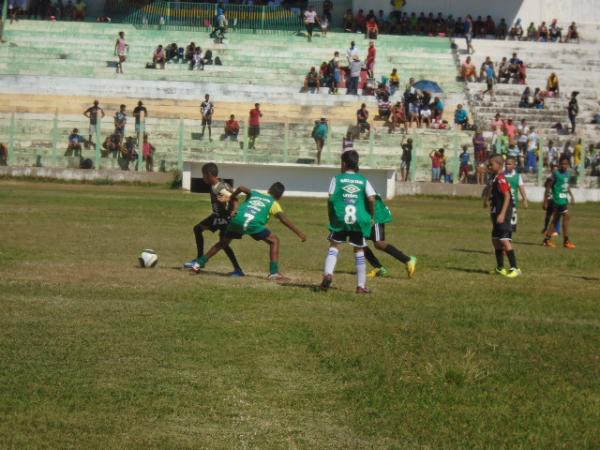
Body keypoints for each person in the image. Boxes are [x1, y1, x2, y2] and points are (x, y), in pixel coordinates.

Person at [192, 181, 306, 280]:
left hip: (237, 219)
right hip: (253, 224)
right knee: (274, 240)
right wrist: (299, 233)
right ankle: (274, 273)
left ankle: (199, 263)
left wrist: (231, 197)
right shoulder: (274, 203)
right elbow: (283, 219)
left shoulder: (254, 193)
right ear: (280, 197)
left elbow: (241, 188)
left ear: (269, 189)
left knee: (223, 243)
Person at [319, 150, 376, 294]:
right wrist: (371, 215)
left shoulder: (337, 179)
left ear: (343, 164)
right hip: (358, 220)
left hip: (340, 218)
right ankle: (361, 286)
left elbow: (331, 199)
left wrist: (331, 215)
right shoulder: (363, 180)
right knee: (359, 250)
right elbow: (371, 198)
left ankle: (328, 274)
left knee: (334, 246)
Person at [184, 163, 245, 276]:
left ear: (209, 174)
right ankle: (199, 259)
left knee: (223, 243)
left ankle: (238, 269)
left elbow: (234, 199)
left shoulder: (221, 188)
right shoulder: (215, 185)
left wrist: (234, 210)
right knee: (198, 229)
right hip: (216, 216)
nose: (203, 178)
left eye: (203, 175)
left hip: (225, 218)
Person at [482, 155, 521, 278]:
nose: (489, 166)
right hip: (496, 212)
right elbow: (491, 190)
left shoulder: (501, 179)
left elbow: (507, 196)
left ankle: (515, 268)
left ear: (499, 165)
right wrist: (487, 199)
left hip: (502, 214)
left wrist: (502, 214)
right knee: (495, 241)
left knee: (504, 240)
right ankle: (500, 268)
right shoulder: (495, 177)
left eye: (491, 164)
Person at [363, 194, 417, 280]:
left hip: (375, 215)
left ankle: (408, 260)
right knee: (359, 243)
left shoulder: (362, 182)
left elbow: (372, 199)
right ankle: (379, 268)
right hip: (363, 215)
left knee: (379, 243)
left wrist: (372, 217)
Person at [543, 157, 576, 249]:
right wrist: (545, 200)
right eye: (562, 164)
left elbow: (566, 186)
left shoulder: (568, 175)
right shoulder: (556, 174)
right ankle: (566, 241)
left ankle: (547, 240)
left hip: (563, 199)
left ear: (568, 165)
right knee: (566, 217)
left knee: (556, 220)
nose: (564, 165)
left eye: (565, 164)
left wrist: (572, 196)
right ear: (559, 164)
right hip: (557, 200)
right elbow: (548, 186)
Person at [504, 157, 529, 233]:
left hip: (513, 203)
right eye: (506, 164)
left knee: (512, 224)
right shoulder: (502, 175)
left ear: (514, 165)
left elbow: (521, 188)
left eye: (509, 164)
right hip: (503, 202)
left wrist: (525, 199)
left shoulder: (517, 176)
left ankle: (508, 238)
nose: (507, 165)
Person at [542, 162, 561, 235]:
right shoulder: (550, 178)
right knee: (548, 215)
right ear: (551, 170)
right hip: (550, 199)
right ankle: (546, 228)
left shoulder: (559, 178)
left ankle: (556, 230)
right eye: (553, 169)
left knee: (556, 214)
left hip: (556, 199)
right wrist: (545, 201)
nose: (555, 171)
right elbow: (546, 187)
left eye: (556, 169)